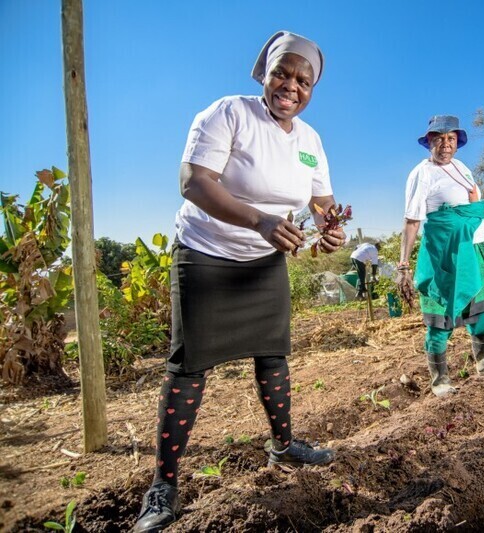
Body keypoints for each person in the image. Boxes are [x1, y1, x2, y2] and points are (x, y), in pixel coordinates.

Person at [132, 31, 345, 533]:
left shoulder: (311, 142)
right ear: (264, 74)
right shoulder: (228, 112)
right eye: (283, 73)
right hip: (206, 254)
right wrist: (260, 222)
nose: (291, 86)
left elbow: (321, 205)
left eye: (303, 80)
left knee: (273, 354)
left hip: (264, 261)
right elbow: (194, 182)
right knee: (189, 366)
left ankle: (284, 446)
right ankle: (163, 483)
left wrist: (330, 227)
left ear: (312, 88)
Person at [396, 115, 484, 398]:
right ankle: (439, 380)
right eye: (438, 138)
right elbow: (412, 221)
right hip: (445, 254)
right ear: (429, 141)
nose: (445, 145)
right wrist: (403, 265)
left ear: (457, 142)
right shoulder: (422, 173)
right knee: (442, 312)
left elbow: (471, 203)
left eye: (451, 139)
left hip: (474, 249)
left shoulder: (462, 168)